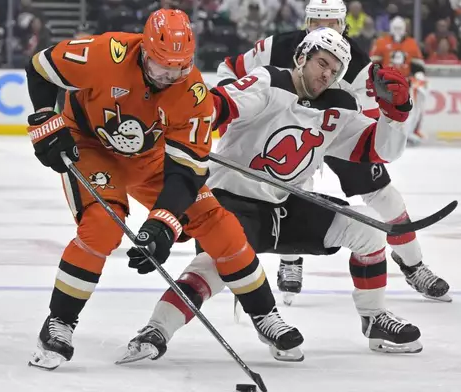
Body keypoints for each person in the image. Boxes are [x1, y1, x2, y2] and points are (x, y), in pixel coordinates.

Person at [120, 28, 424, 364]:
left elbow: (378, 150)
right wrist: (178, 124)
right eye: (322, 63)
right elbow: (220, 106)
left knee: (368, 234)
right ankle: (155, 331)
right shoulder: (268, 82)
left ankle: (374, 318)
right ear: (301, 57)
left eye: (335, 70)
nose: (326, 74)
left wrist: (396, 114)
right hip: (232, 200)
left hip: (285, 206)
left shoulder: (339, 106)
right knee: (214, 265)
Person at [24, 8, 303, 370]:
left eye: (179, 68)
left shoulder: (194, 94)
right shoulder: (104, 53)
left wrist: (162, 225)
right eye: (161, 68)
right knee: (102, 226)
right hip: (90, 147)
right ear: (143, 52)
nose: (170, 76)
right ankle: (60, 321)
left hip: (153, 161)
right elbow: (40, 67)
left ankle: (265, 314)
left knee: (219, 224)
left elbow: (185, 174)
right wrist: (46, 118)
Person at [216, 0, 450, 305]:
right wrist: (233, 113)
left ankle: (414, 265)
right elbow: (231, 69)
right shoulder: (279, 45)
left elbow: (368, 126)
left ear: (345, 25)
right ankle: (291, 261)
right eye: (316, 23)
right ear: (306, 23)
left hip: (337, 130)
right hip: (286, 130)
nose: (324, 29)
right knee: (291, 191)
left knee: (384, 195)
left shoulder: (359, 64)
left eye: (332, 23)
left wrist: (393, 116)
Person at [371, 16, 428, 145]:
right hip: (384, 83)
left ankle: (407, 133)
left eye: (400, 28)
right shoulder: (381, 42)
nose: (397, 30)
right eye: (395, 28)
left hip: (405, 83)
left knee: (409, 108)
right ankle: (383, 133)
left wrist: (419, 76)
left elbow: (419, 65)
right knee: (383, 109)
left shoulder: (411, 43)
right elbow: (372, 63)